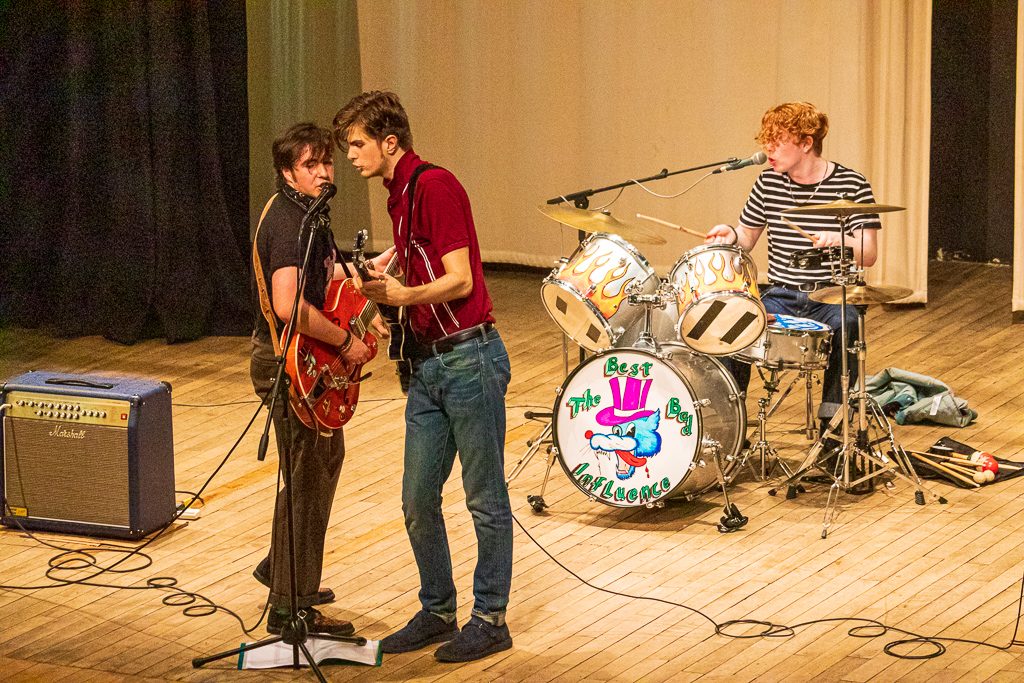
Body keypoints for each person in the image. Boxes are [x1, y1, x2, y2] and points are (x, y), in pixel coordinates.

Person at [333, 90, 514, 663]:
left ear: (389, 142)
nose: (350, 156)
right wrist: (388, 265)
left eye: (357, 144)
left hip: (468, 359)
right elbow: (424, 252)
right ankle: (438, 610)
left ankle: (491, 619)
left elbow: (461, 279)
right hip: (429, 364)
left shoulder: (434, 186)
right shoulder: (401, 193)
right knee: (417, 499)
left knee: (484, 498)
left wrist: (401, 295)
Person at [250, 122, 375, 636]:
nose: (324, 172)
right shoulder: (291, 224)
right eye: (310, 164)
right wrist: (346, 342)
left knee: (322, 463)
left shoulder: (309, 213)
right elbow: (288, 305)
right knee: (307, 478)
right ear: (288, 173)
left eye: (326, 161)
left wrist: (367, 271)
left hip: (301, 362)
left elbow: (321, 277)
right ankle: (291, 607)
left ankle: (282, 568)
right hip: (287, 366)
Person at [705, 102, 881, 439]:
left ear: (806, 143)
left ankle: (833, 429)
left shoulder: (852, 184)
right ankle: (732, 427)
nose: (768, 150)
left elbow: (869, 253)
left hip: (830, 295)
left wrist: (839, 238)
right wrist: (730, 235)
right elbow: (746, 238)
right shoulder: (768, 183)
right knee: (733, 321)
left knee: (849, 324)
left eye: (777, 141)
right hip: (781, 294)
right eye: (766, 141)